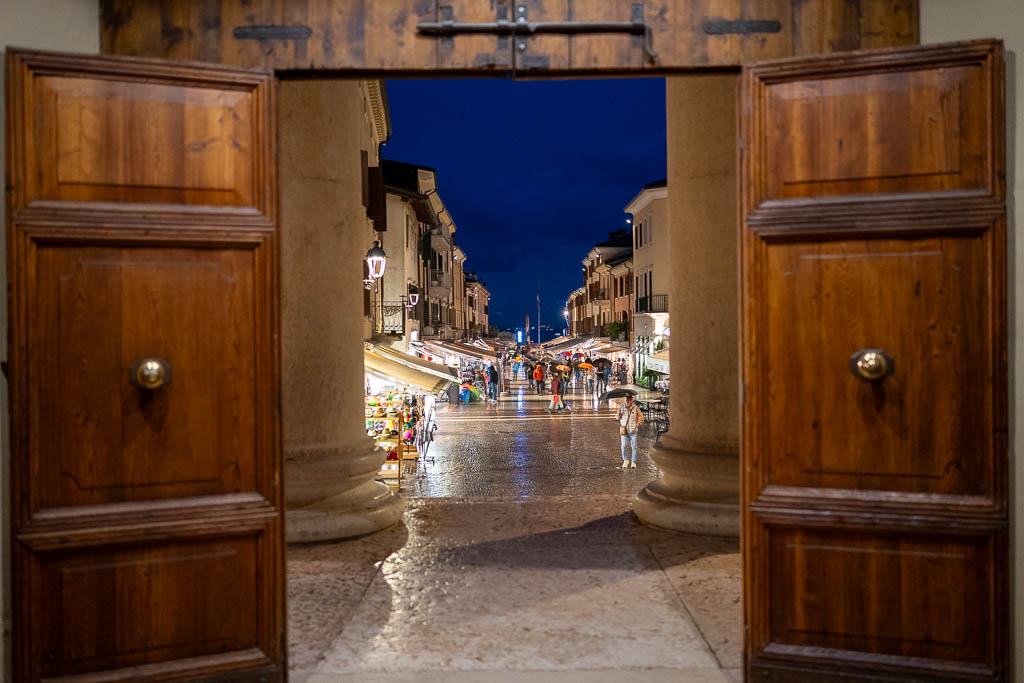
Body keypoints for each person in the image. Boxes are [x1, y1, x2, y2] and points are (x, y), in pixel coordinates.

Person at [616, 394, 644, 468]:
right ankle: (625, 460)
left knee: (634, 447)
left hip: (633, 431)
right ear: (625, 400)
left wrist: (637, 424)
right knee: (623, 446)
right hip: (624, 431)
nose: (628, 402)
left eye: (630, 400)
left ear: (632, 400)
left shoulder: (636, 408)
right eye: (627, 400)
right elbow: (617, 417)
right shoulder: (621, 407)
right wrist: (618, 414)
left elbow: (641, 417)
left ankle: (633, 462)